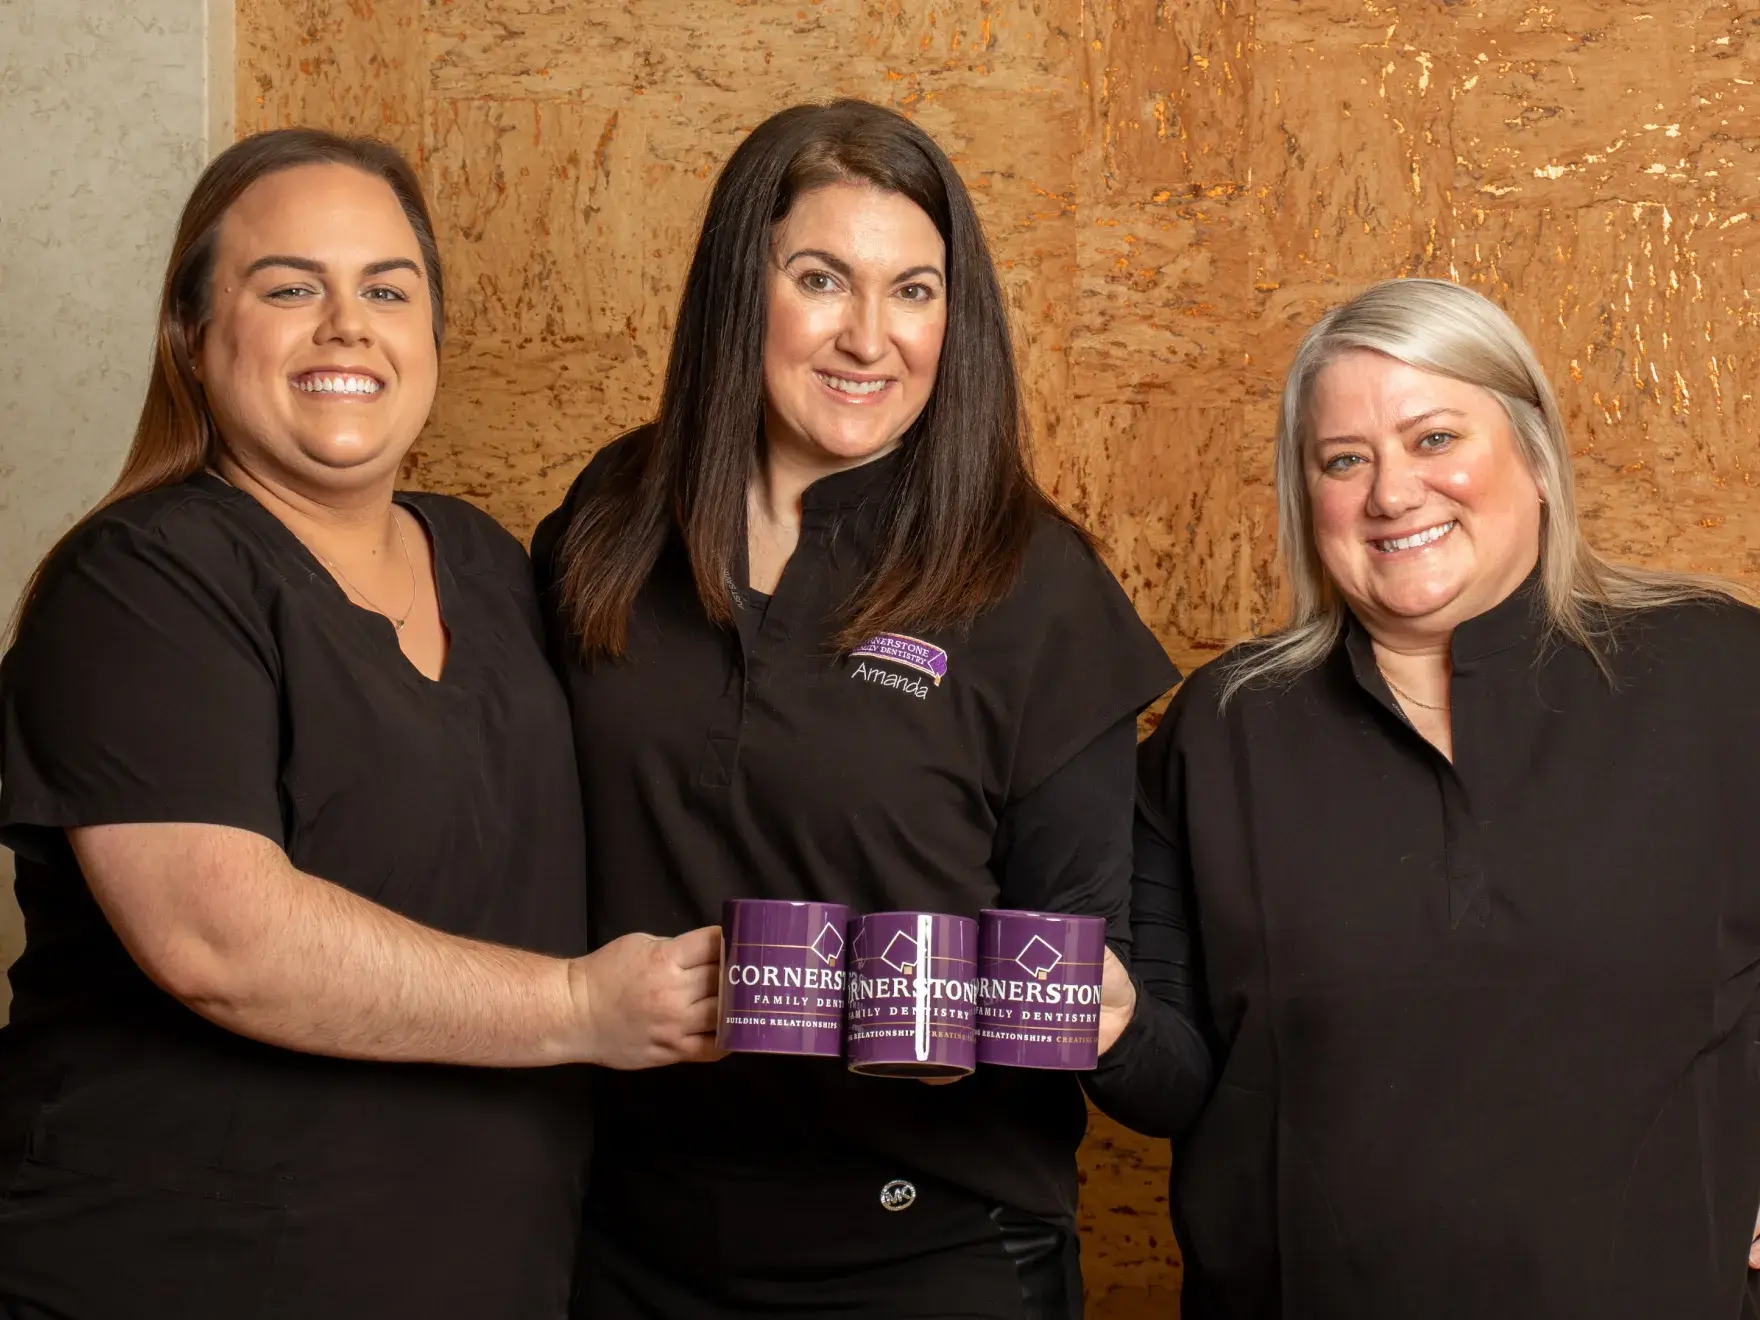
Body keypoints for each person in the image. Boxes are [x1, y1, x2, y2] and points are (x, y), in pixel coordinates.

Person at [0, 129, 719, 1320]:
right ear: (191, 335)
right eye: (289, 287)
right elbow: (220, 943)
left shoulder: (489, 569)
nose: (347, 326)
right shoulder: (138, 582)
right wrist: (582, 1011)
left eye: (387, 289)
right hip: (167, 1277)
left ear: (430, 336)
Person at [532, 99, 1201, 1318]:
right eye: (820, 279)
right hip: (623, 1239)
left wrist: (1013, 1026)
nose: (866, 337)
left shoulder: (1035, 585)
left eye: (913, 291)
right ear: (745, 290)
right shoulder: (613, 514)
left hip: (926, 1251)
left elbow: (1092, 996)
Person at [1094, 276, 1760, 1318]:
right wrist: (1107, 1020)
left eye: (1434, 437)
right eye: (1342, 460)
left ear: (1534, 457)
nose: (1391, 494)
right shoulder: (1224, 727)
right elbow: (1177, 1079)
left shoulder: (1718, 674)